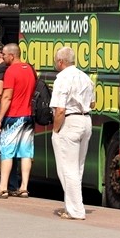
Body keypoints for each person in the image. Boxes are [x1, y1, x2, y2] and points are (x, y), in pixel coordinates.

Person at [50, 46, 95, 220]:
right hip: (86, 120)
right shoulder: (85, 77)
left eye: (56, 61)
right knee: (77, 168)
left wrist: (55, 130)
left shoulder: (62, 78)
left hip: (69, 122)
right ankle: (72, 206)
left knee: (67, 169)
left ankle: (76, 210)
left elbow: (60, 109)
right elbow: (93, 104)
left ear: (61, 62)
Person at [0, 43, 35, 199]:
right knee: (26, 153)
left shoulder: (11, 71)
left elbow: (7, 97)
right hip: (28, 116)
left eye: (4, 54)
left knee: (7, 152)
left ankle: (3, 188)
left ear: (11, 55)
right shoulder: (30, 69)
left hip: (13, 116)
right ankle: (24, 187)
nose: (2, 57)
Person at [0, 41, 20, 192]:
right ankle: (13, 184)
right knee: (14, 151)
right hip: (16, 113)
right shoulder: (14, 68)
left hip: (3, 114)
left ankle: (8, 185)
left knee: (5, 151)